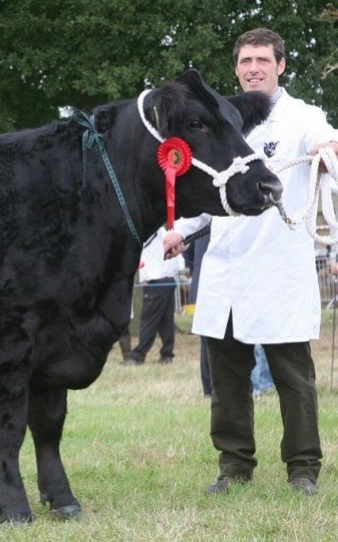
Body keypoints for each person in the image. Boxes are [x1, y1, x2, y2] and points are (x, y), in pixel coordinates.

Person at [164, 28, 338, 496]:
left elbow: (329, 142)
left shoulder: (303, 117)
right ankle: (234, 466)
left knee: (293, 378)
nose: (253, 68)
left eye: (263, 59)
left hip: (278, 265)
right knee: (227, 379)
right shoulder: (220, 118)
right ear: (236, 68)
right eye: (246, 61)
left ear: (282, 65)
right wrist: (180, 231)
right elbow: (208, 190)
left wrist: (328, 151)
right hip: (224, 266)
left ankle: (303, 469)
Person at [123, 226, 179, 365]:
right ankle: (167, 355)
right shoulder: (163, 232)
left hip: (156, 279)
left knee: (149, 320)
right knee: (166, 321)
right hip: (167, 278)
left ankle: (138, 355)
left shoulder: (151, 231)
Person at [182, 229, 212, 396]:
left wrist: (194, 269)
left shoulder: (200, 220)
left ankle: (208, 386)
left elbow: (188, 252)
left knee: (206, 339)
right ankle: (212, 386)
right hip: (212, 282)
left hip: (199, 280)